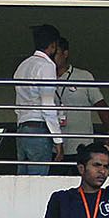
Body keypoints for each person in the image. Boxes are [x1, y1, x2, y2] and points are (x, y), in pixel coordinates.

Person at [13, 25, 66, 174]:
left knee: (22, 182)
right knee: (38, 181)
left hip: (22, 129)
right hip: (39, 130)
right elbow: (47, 105)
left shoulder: (22, 66)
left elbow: (18, 105)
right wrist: (58, 140)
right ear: (53, 45)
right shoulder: (46, 66)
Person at [54, 39, 109, 147]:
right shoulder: (45, 76)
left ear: (65, 54)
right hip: (54, 147)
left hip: (81, 145)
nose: (52, 57)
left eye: (56, 53)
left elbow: (100, 104)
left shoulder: (83, 76)